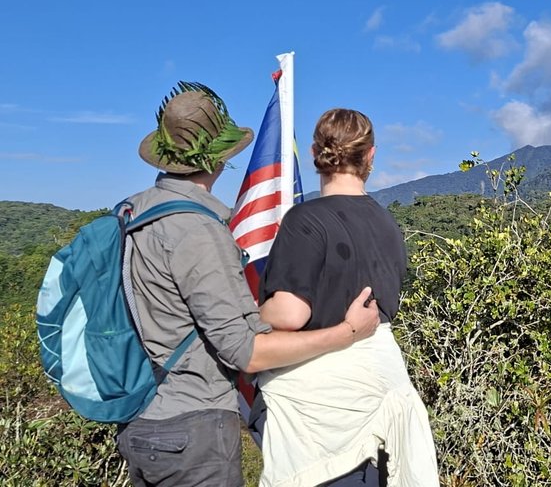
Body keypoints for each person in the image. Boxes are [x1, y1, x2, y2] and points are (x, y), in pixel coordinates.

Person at [115, 84, 380, 487]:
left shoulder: (132, 214)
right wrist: (347, 332)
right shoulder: (197, 232)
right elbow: (246, 352)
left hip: (142, 419)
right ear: (221, 158)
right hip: (192, 429)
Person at [257, 108, 439, 487]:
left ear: (314, 153)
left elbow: (289, 314)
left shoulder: (305, 220)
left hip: (319, 415)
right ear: (371, 156)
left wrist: (255, 307)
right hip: (380, 390)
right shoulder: (388, 224)